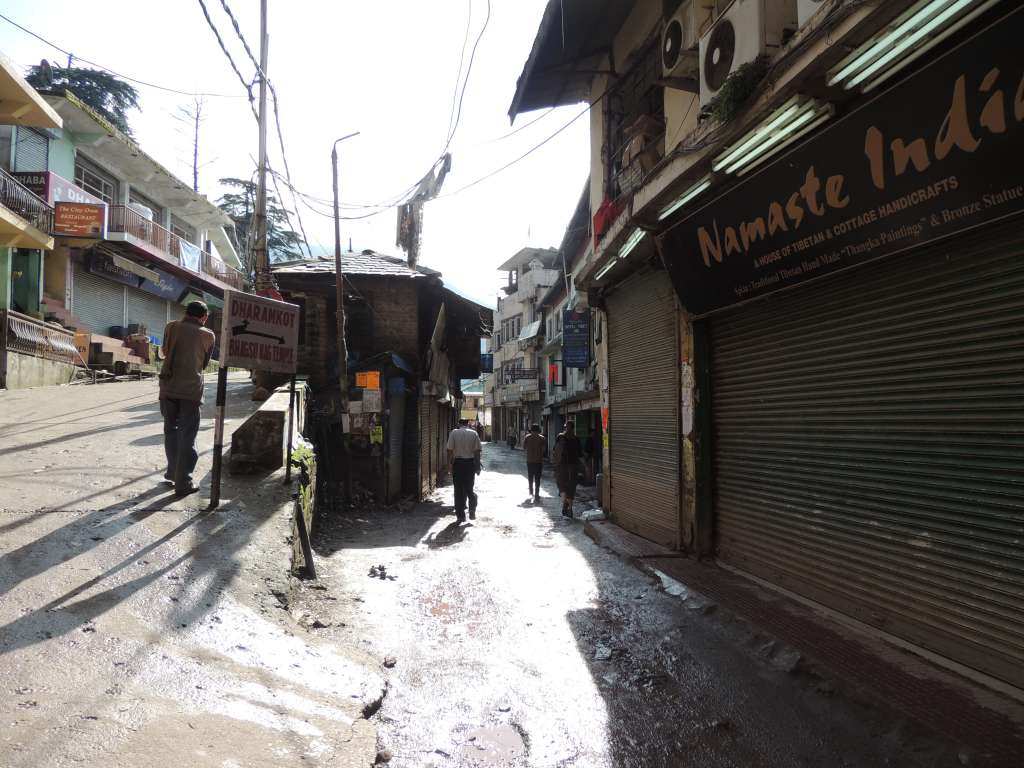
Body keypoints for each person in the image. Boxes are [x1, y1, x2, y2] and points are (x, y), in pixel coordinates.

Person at [159, 300, 215, 497]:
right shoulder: (208, 335)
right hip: (191, 390)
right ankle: (184, 482)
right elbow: (205, 364)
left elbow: (164, 352)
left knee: (170, 430)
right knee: (187, 435)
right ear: (204, 317)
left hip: (168, 387)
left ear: (186, 313)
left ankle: (173, 472)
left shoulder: (171, 326)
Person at [446, 418, 482, 523]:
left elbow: (449, 450)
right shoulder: (473, 433)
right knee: (469, 488)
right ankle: (472, 508)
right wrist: (478, 467)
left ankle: (460, 515)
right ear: (468, 424)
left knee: (458, 490)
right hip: (470, 464)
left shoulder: (454, 432)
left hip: (458, 464)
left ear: (458, 424)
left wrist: (449, 465)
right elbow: (477, 452)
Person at [553, 421, 583, 518]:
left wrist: (555, 465)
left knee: (562, 487)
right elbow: (580, 455)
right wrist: (586, 467)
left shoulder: (560, 437)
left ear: (565, 428)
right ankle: (569, 508)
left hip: (562, 467)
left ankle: (564, 503)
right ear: (573, 428)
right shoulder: (576, 439)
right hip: (573, 467)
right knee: (571, 487)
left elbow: (555, 451)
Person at [522, 424, 546, 503]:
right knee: (538, 478)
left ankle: (531, 492)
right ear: (538, 430)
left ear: (531, 430)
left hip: (530, 461)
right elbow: (543, 450)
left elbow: (524, 447)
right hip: (538, 461)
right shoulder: (542, 438)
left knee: (530, 477)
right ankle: (537, 494)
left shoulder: (527, 437)